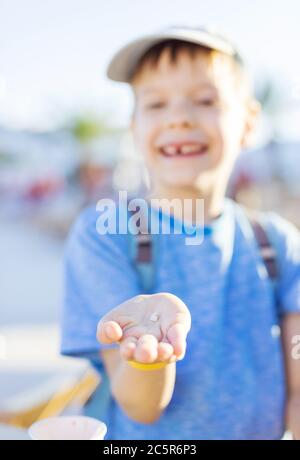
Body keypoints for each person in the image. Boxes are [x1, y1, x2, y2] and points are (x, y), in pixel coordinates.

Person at [60, 26, 300, 440]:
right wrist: (149, 356)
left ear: (249, 121)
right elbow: (141, 407)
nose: (179, 117)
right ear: (134, 128)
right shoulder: (106, 234)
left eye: (206, 100)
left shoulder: (276, 243)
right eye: (155, 104)